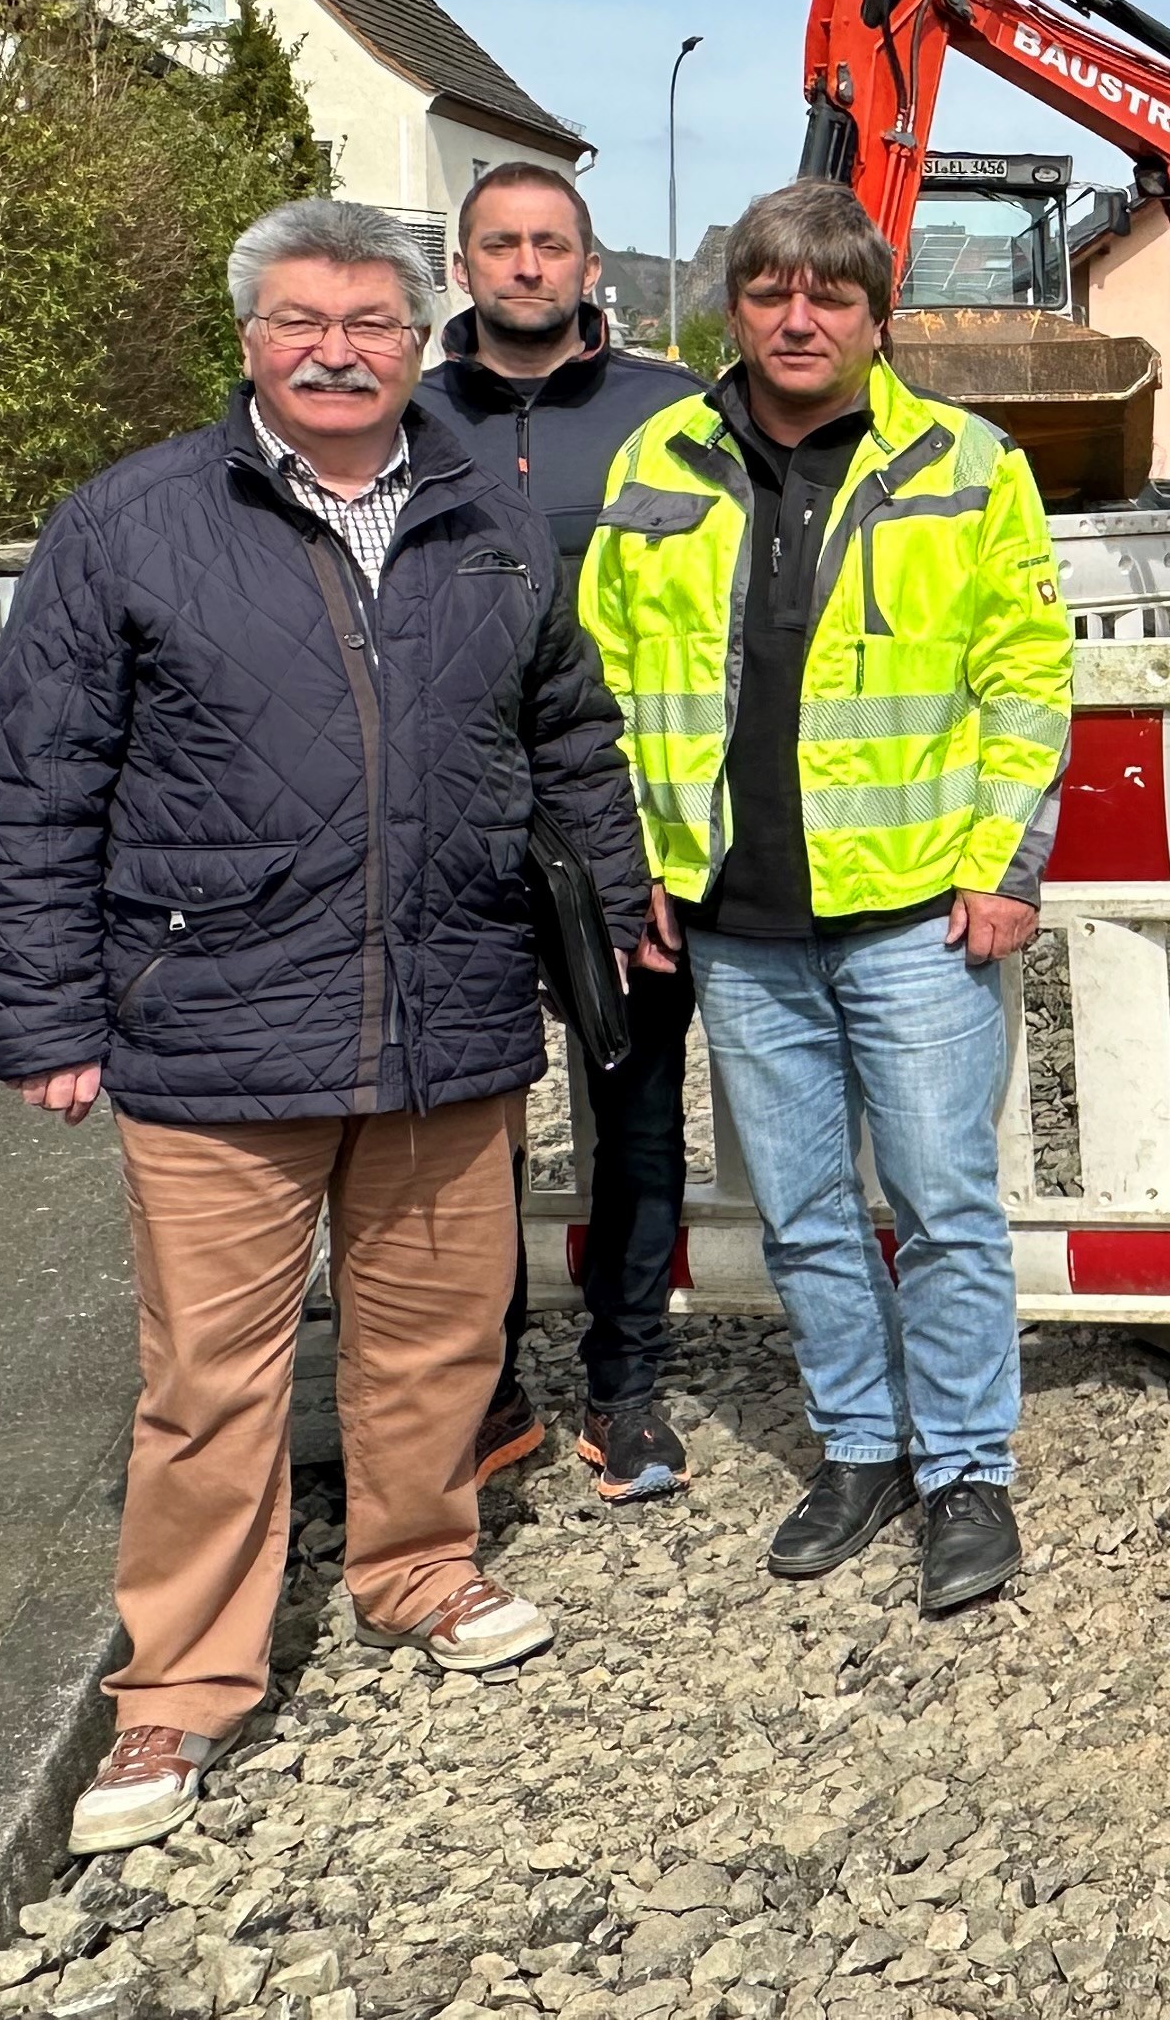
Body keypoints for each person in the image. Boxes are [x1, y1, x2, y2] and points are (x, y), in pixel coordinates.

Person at [0, 199, 646, 1857]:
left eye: (367, 322)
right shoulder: (130, 520)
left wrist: (616, 897)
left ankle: (417, 1567)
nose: (335, 351)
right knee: (210, 1377)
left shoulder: (485, 514)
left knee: (433, 1338)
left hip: (447, 1007)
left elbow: (566, 728)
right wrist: (45, 1010)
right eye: (301, 321)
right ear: (250, 340)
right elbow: (35, 778)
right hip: (215, 1019)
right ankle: (183, 1679)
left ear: (418, 339)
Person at [579, 180, 1074, 1613]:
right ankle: (862, 1446)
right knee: (801, 1212)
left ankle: (964, 1469)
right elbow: (605, 682)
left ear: (875, 318)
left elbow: (1027, 679)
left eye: (831, 296)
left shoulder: (966, 465)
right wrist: (636, 865)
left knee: (941, 1204)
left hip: (916, 913)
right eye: (770, 292)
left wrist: (1001, 865)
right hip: (737, 922)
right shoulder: (661, 459)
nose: (799, 319)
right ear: (732, 310)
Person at [429, 161, 709, 1501]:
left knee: (636, 1113)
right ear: (463, 266)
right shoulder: (405, 418)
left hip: (629, 823)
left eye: (551, 244)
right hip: (458, 833)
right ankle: (485, 1388)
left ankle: (626, 1388)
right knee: (461, 1129)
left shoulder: (675, 414)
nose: (527, 265)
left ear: (591, 265)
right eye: (502, 244)